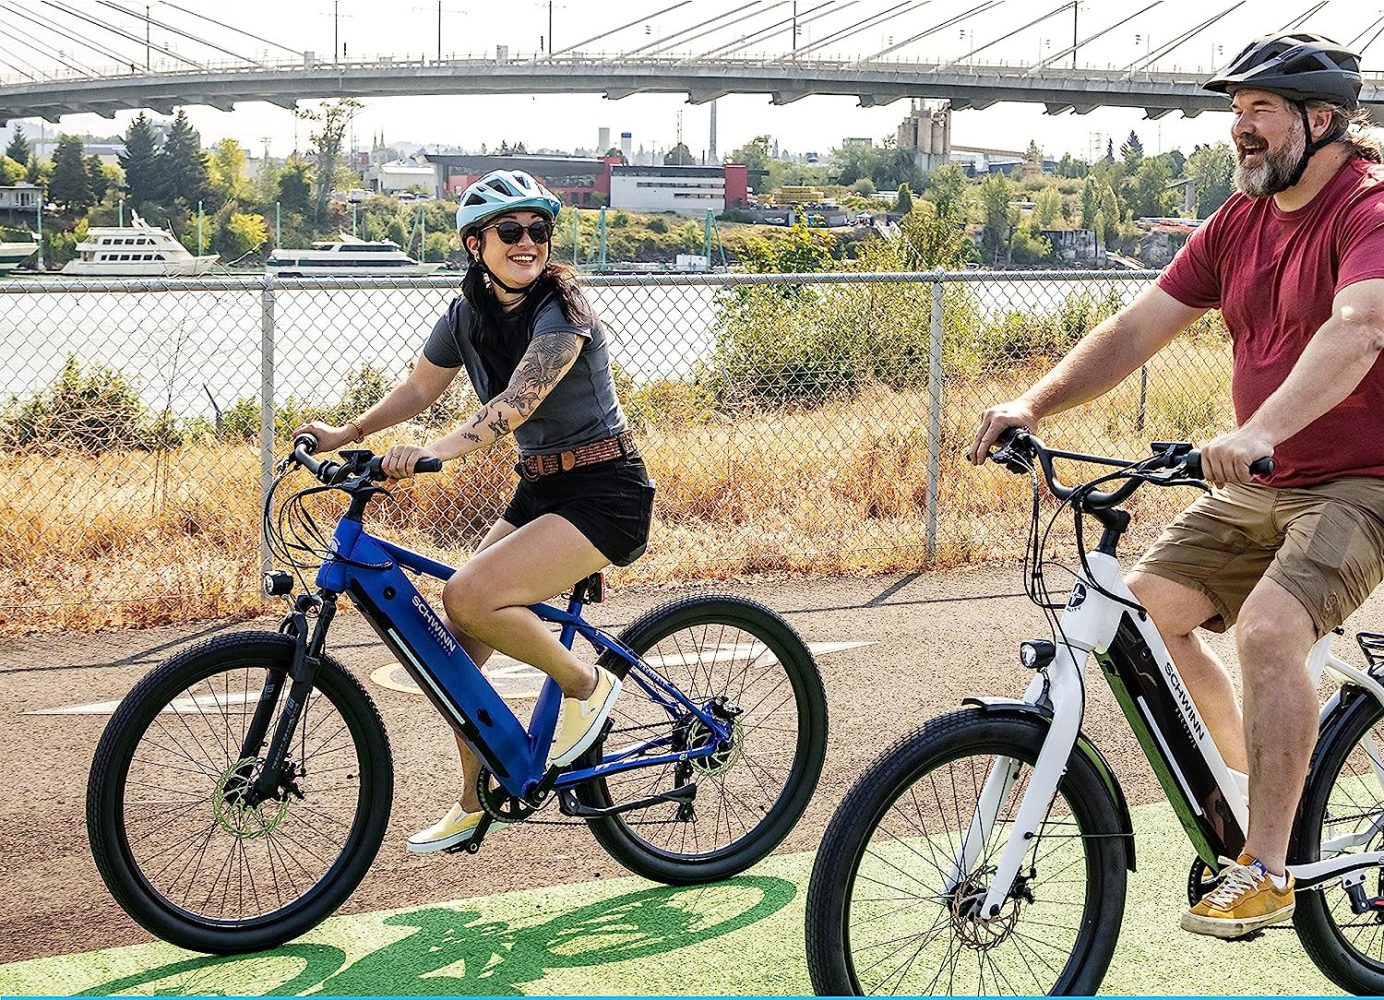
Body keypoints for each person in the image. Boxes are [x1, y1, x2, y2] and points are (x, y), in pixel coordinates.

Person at [969, 32, 1384, 938]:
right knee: (1144, 617)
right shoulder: (1239, 222)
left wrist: (1260, 429)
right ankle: (1248, 796)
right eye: (1235, 113)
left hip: (1364, 480)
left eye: (1258, 112)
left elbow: (1359, 329)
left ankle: (1269, 868)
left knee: (1273, 627)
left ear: (1322, 122)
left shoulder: (1370, 212)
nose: (1239, 129)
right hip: (1264, 479)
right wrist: (1034, 404)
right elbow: (1136, 327)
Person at [295, 169, 653, 854]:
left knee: (469, 593)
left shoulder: (564, 309)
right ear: (474, 245)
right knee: (451, 654)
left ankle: (586, 683)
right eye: (510, 231)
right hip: (542, 488)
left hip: (606, 490)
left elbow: (515, 404)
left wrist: (434, 454)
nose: (527, 243)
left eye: (538, 231)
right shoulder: (466, 314)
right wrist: (347, 436)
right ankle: (475, 801)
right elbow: (419, 387)